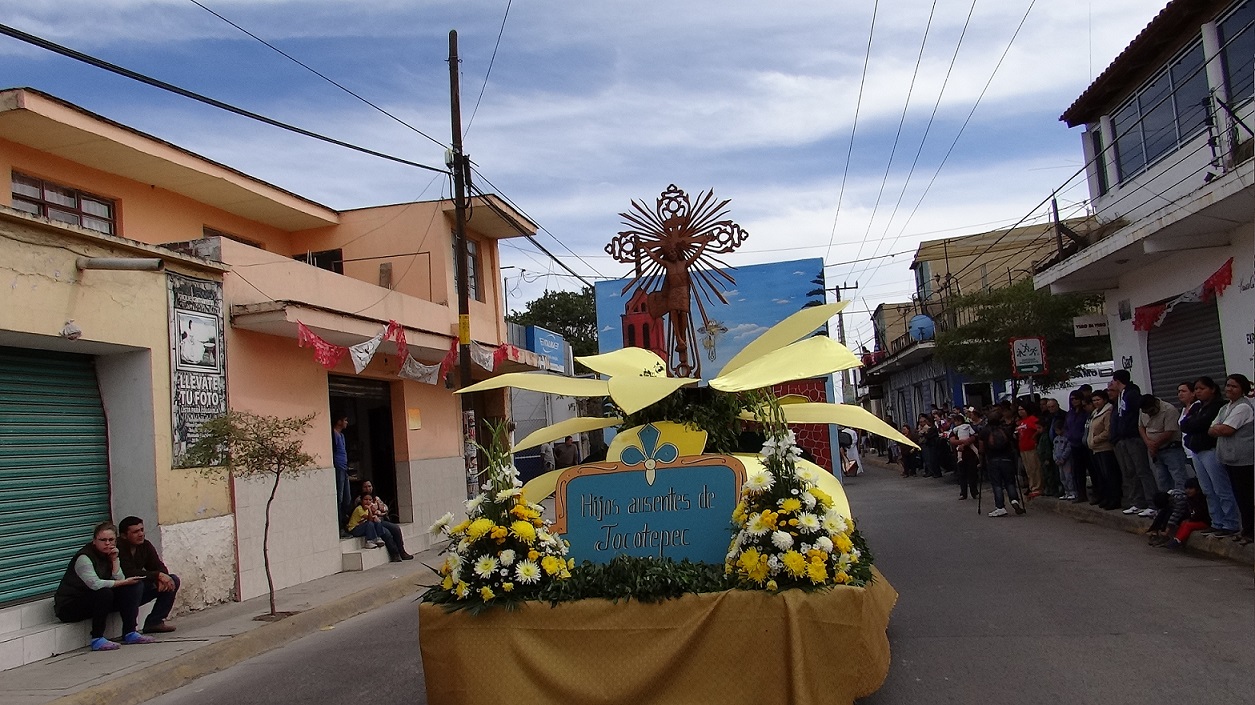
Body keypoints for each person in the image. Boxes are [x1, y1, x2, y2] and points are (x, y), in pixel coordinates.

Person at [53, 522, 155, 651]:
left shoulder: (110, 555)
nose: (107, 543)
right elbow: (95, 584)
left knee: (133, 587)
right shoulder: (84, 557)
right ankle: (97, 638)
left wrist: (114, 560)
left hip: (94, 601)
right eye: (103, 540)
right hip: (69, 606)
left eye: (111, 540)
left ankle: (130, 632)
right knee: (104, 592)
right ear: (94, 541)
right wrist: (124, 582)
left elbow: (120, 579)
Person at [1180, 376, 1241, 538]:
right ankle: (1216, 521)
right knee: (1207, 490)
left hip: (1211, 450)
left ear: (1212, 389)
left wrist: (1194, 424)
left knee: (1221, 488)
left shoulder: (1218, 406)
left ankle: (1231, 522)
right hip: (1196, 451)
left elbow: (1203, 424)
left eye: (1202, 388)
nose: (1198, 392)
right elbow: (1184, 424)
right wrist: (1193, 423)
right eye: (1196, 389)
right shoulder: (1197, 407)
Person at [1209, 374, 1254, 546]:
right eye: (1228, 385)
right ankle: (1246, 529)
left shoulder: (1243, 407)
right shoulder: (1225, 407)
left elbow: (1227, 429)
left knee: (1246, 496)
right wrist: (1217, 428)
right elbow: (1211, 429)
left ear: (1243, 389)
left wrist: (1218, 428)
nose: (1229, 389)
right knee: (1239, 496)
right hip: (1229, 459)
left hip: (1243, 459)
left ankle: (1250, 531)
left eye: (1234, 386)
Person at [116, 516, 180, 634]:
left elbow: (159, 567)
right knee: (137, 585)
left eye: (142, 530)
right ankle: (130, 630)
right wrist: (157, 575)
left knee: (172, 580)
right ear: (124, 535)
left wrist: (160, 578)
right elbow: (129, 572)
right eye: (135, 532)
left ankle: (155, 622)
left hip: (138, 592)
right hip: (120, 593)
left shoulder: (145, 545)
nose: (141, 534)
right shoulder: (117, 548)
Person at [1109, 370, 1156, 517]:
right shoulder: (1121, 396)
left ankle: (1152, 503)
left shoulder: (1132, 394)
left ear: (1118, 381)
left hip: (1133, 437)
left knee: (1142, 470)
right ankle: (1138, 502)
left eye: (1113, 381)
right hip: (1123, 438)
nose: (1112, 384)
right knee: (1131, 472)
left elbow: (1139, 412)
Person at [1140, 394, 1188, 493]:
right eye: (1146, 412)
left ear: (1156, 404)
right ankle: (1166, 500)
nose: (1149, 414)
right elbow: (1141, 427)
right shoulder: (1143, 410)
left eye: (1151, 411)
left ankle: (1181, 499)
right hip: (1155, 451)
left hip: (1171, 448)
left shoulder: (1169, 410)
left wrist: (1154, 445)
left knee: (1178, 477)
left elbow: (1169, 432)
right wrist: (1148, 443)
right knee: (1162, 479)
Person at [982, 409, 1024, 517]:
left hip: (992, 459)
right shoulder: (1006, 430)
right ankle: (1014, 500)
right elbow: (1013, 442)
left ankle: (1000, 507)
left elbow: (981, 448)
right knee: (1010, 482)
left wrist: (982, 458)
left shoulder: (985, 431)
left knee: (997, 484)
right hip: (1007, 458)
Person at [355, 481, 413, 560]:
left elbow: (384, 508)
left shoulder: (376, 498)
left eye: (369, 486)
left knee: (396, 528)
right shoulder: (359, 500)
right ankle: (395, 554)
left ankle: (402, 551)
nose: (368, 489)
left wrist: (382, 509)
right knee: (386, 533)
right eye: (365, 487)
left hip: (379, 520)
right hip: (369, 523)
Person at [1087, 390, 1121, 510]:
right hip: (1096, 449)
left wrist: (1095, 439)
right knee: (1102, 476)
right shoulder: (1095, 412)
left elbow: (1107, 431)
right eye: (1094, 400)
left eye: (1098, 400)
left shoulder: (1108, 412)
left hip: (1105, 448)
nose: (1096, 402)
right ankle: (1107, 497)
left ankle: (1115, 499)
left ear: (1105, 400)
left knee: (1110, 475)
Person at [1156, 479, 1212, 550]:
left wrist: (1191, 519)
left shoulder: (1201, 500)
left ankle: (1177, 541)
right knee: (1183, 523)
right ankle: (1177, 539)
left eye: (1191, 488)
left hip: (1205, 521)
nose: (1188, 490)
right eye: (1186, 488)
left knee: (1188, 525)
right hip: (1195, 519)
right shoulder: (1189, 499)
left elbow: (1200, 514)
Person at [346, 494, 402, 561]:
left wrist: (376, 515)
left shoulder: (367, 509)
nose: (368, 501)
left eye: (370, 500)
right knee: (370, 523)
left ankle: (378, 537)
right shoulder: (359, 509)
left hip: (361, 527)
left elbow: (377, 515)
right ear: (361, 501)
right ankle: (370, 541)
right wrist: (370, 510)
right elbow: (369, 519)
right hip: (354, 529)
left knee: (376, 521)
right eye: (365, 499)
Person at [1065, 391, 1094, 503]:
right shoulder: (1070, 413)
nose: (1074, 401)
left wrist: (1082, 437)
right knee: (1078, 471)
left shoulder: (1085, 413)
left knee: (1092, 470)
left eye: (1076, 398)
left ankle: (1096, 493)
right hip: (1074, 445)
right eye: (1072, 399)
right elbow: (1066, 427)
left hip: (1085, 445)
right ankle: (1081, 494)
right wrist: (1069, 436)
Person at [1015, 402, 1043, 498]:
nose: (1020, 412)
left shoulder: (1032, 419)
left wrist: (1033, 437)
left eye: (1022, 409)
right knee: (1028, 469)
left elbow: (1039, 429)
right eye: (1019, 410)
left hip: (1031, 447)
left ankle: (1038, 487)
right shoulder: (1021, 421)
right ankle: (1032, 486)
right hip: (1023, 448)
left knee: (1035, 468)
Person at [949, 412, 979, 500]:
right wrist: (963, 442)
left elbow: (973, 437)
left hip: (970, 455)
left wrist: (964, 444)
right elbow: (952, 441)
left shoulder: (968, 427)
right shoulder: (955, 430)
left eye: (957, 421)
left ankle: (974, 492)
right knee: (962, 475)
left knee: (972, 474)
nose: (955, 423)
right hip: (960, 455)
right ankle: (963, 493)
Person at [332, 416, 352, 531]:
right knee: (339, 498)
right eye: (345, 420)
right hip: (338, 467)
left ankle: (345, 523)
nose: (346, 422)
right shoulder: (334, 434)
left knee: (347, 498)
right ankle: (339, 527)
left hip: (344, 467)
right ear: (339, 421)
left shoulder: (342, 435)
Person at [1052, 419, 1075, 500]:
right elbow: (1054, 450)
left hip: (1066, 461)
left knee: (1068, 476)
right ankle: (1066, 492)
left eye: (1057, 430)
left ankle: (1072, 492)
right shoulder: (1056, 439)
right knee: (1062, 477)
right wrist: (1055, 459)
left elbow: (1068, 449)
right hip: (1058, 461)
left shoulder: (1066, 438)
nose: (1056, 432)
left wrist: (1063, 458)